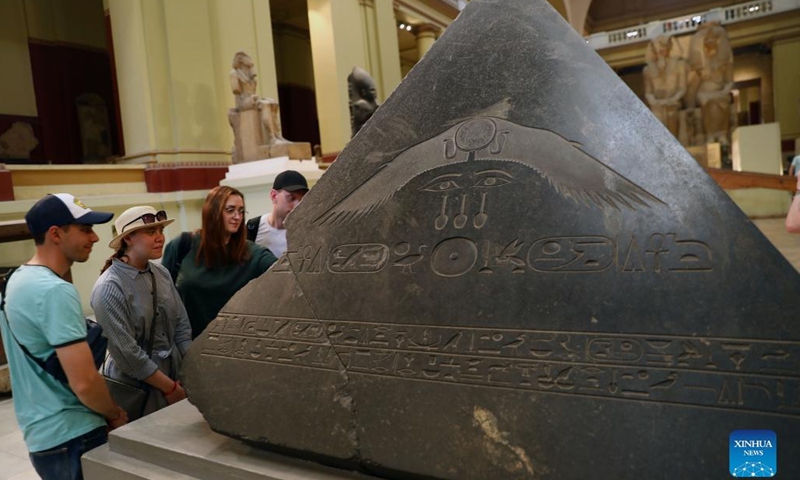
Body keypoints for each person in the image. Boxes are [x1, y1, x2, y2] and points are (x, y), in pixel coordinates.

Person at [0, 193, 127, 480]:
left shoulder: (14, 281)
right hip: (75, 434)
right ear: (55, 234)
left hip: (42, 438)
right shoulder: (54, 290)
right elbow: (84, 382)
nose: (94, 238)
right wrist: (114, 413)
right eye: (85, 230)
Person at [91, 206, 191, 418]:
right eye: (150, 232)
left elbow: (182, 326)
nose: (160, 238)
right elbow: (128, 354)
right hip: (137, 388)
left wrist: (188, 371)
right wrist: (169, 388)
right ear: (128, 239)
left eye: (160, 231)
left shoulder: (161, 273)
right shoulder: (109, 287)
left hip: (175, 379)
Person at [162, 186, 277, 338]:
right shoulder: (183, 245)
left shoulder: (253, 254)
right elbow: (161, 298)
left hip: (233, 347)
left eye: (241, 211)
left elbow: (286, 272)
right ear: (213, 212)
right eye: (230, 210)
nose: (237, 216)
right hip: (187, 345)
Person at [246, 170, 309, 258]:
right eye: (291, 198)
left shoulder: (307, 230)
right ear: (273, 196)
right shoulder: (253, 227)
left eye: (301, 200)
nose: (297, 206)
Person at [643, 35, 686, 138]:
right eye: (658, 48)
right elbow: (648, 92)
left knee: (671, 114)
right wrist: (654, 101)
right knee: (657, 116)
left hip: (673, 101)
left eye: (663, 47)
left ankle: (673, 144)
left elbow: (682, 89)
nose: (661, 50)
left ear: (669, 47)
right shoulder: (647, 70)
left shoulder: (679, 64)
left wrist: (672, 99)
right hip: (657, 104)